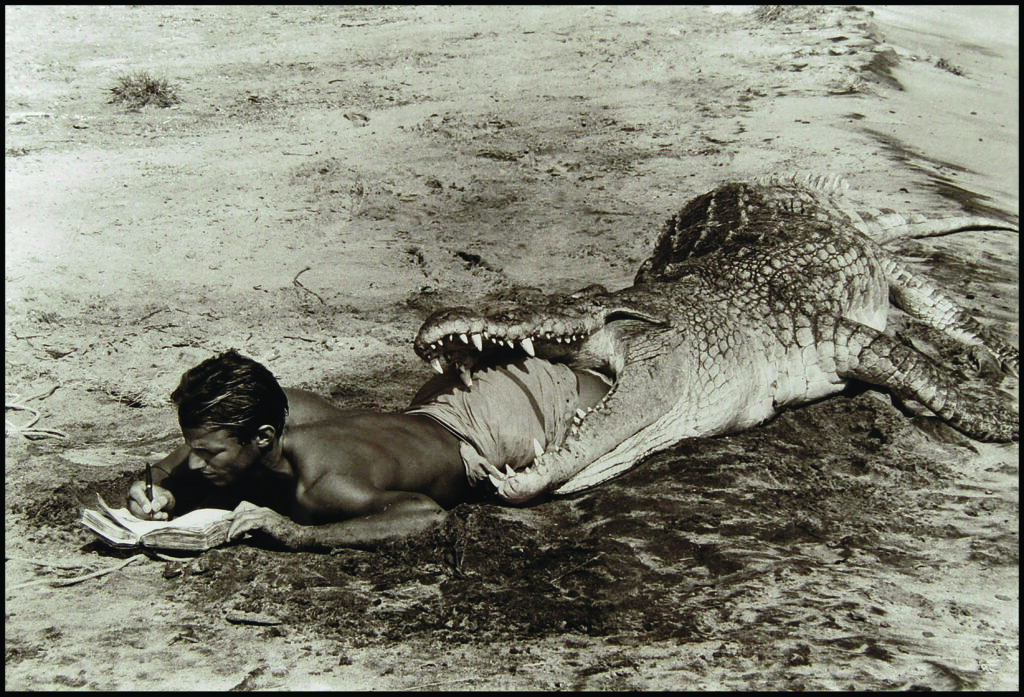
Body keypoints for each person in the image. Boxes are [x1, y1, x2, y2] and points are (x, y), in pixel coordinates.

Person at [127, 349, 610, 550]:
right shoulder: (286, 407)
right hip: (438, 403)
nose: (194, 462)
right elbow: (186, 452)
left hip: (494, 426)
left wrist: (300, 537)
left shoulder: (323, 488)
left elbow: (425, 517)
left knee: (605, 386)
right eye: (197, 451)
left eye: (208, 455)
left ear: (264, 438)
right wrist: (159, 485)